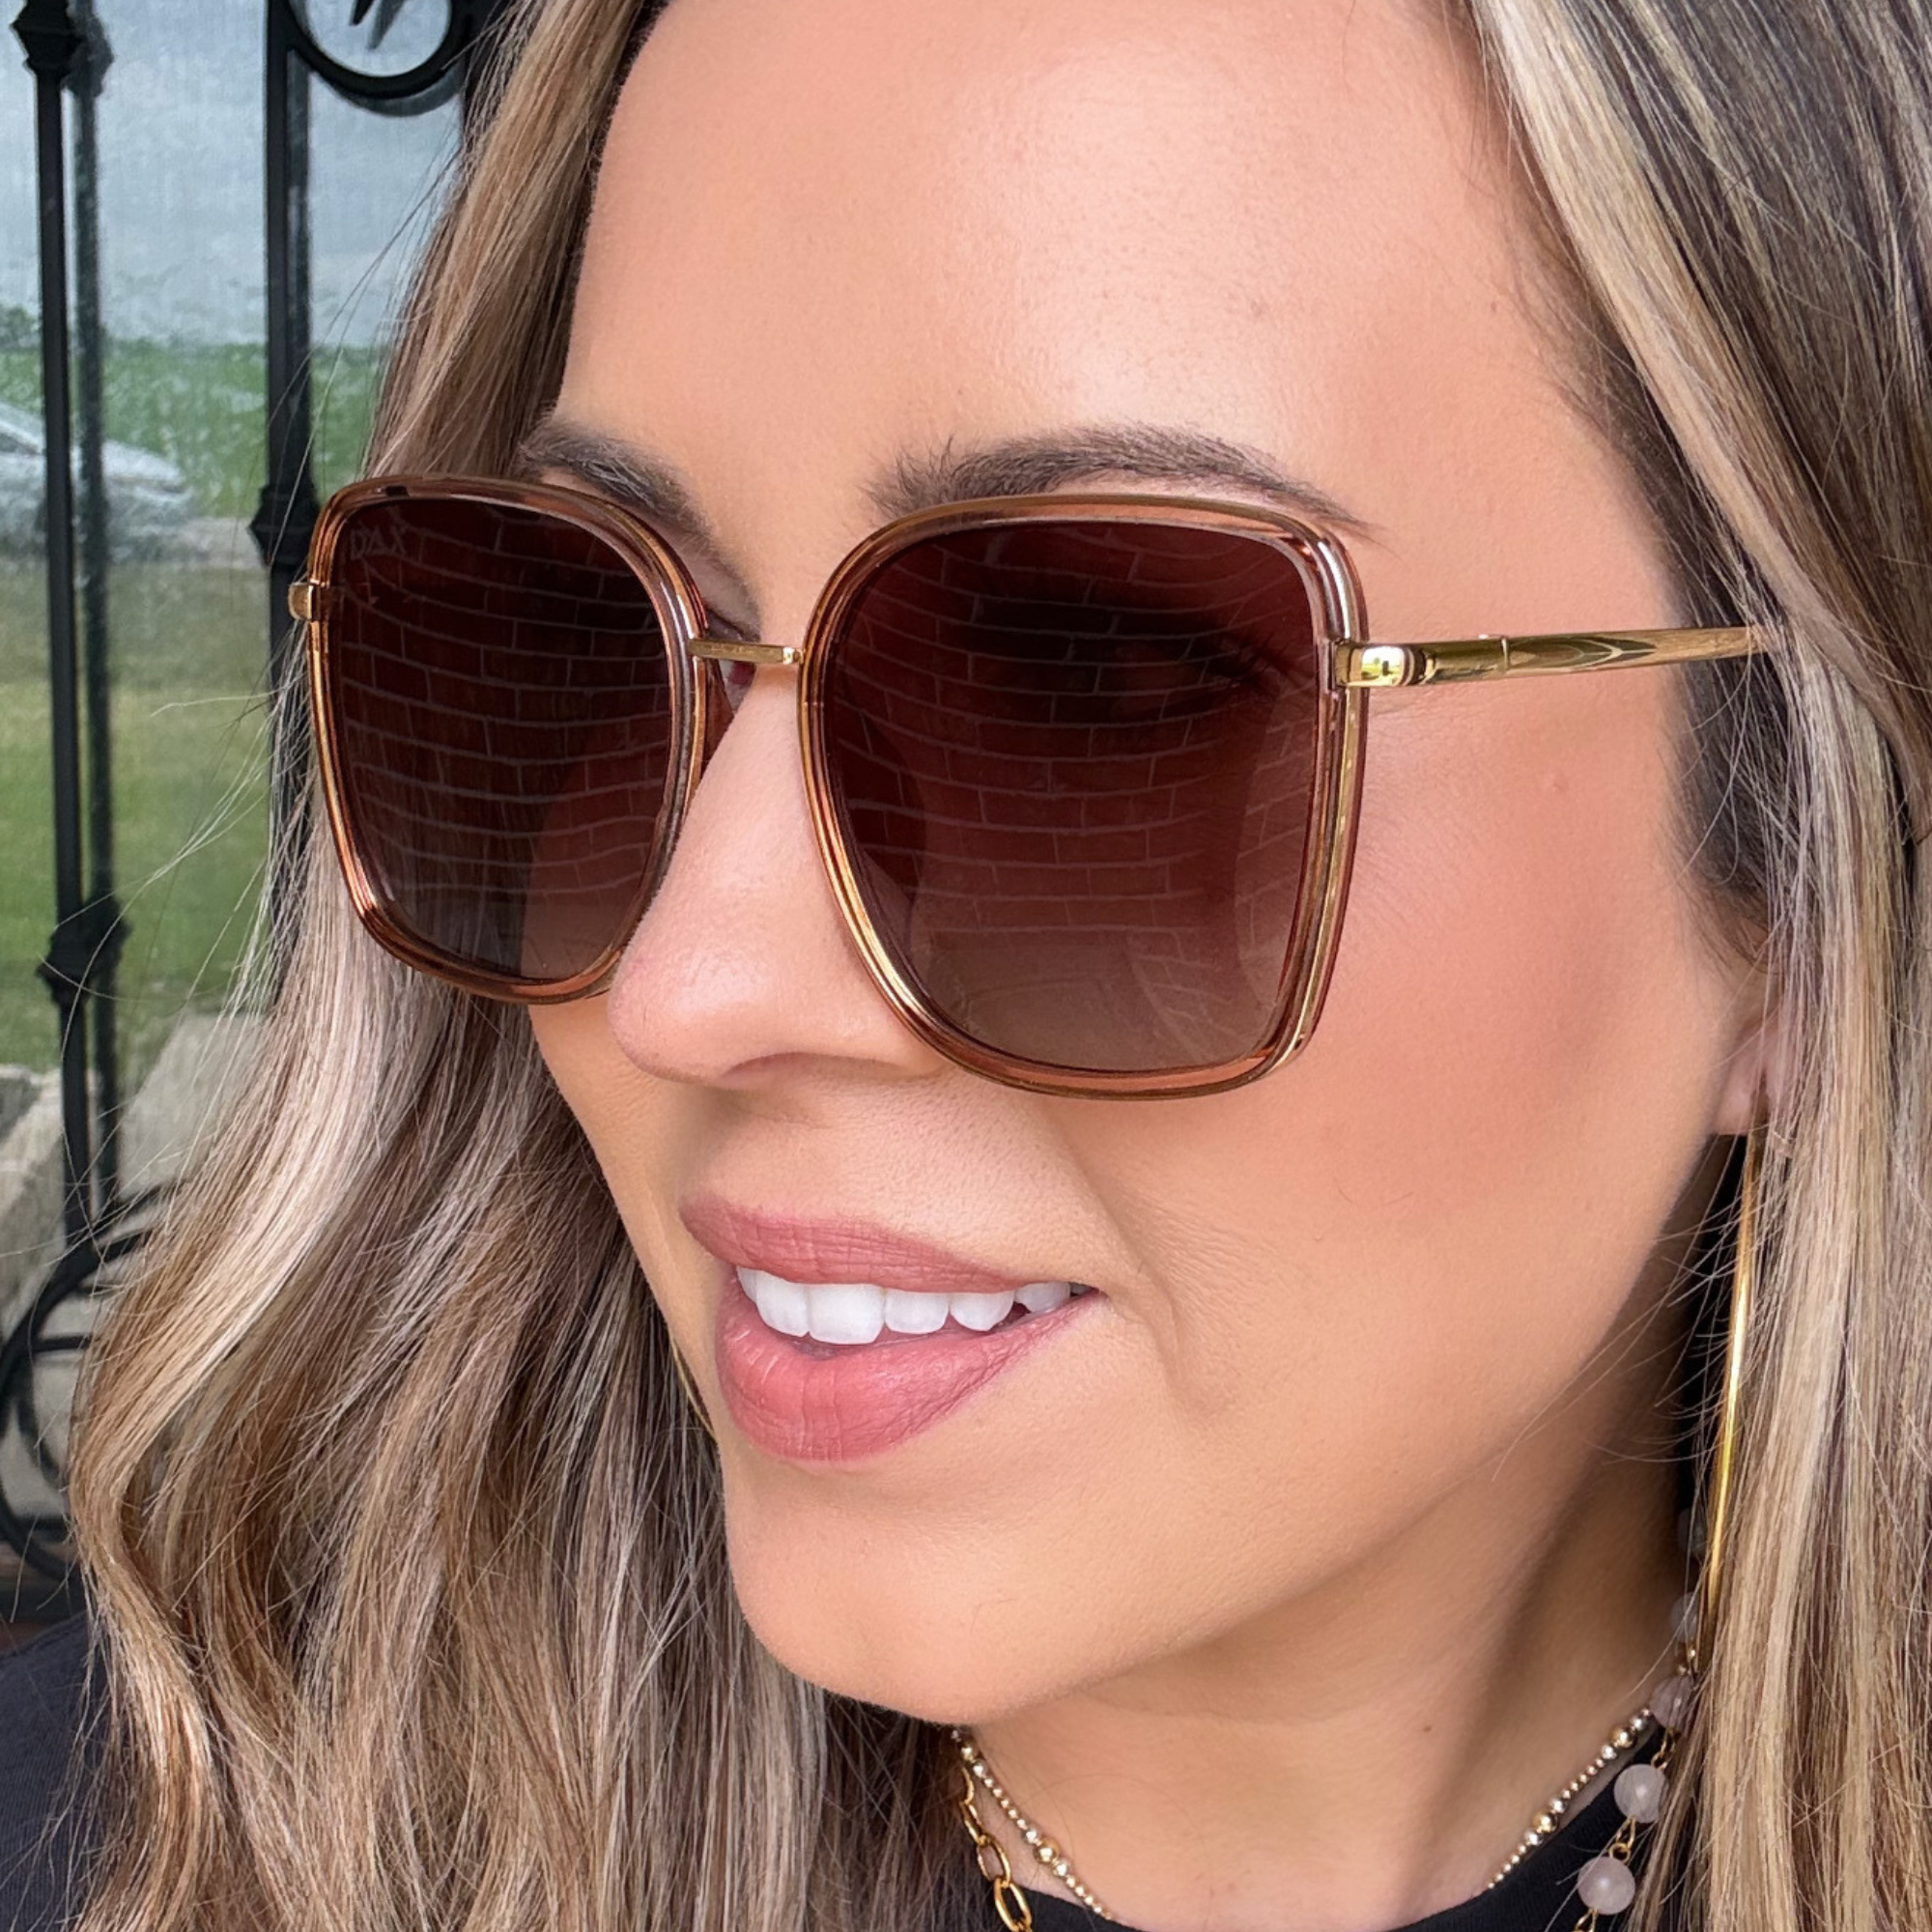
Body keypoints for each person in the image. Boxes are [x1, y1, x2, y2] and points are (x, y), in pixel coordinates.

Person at [5, 0, 1931, 1927]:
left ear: (1800, 877)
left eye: (1095, 693)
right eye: (571, 631)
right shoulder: (141, 1847)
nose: (688, 980)